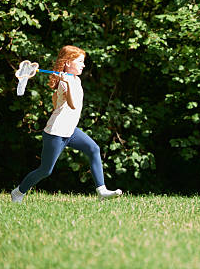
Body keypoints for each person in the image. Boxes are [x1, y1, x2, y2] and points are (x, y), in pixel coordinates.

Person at [11, 45, 122, 202]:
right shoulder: (65, 82)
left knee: (94, 149)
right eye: (80, 61)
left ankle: (101, 191)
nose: (83, 65)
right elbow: (72, 104)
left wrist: (67, 83)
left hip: (70, 130)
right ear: (68, 63)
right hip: (56, 132)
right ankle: (18, 192)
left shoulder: (74, 79)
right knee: (45, 170)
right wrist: (66, 84)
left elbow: (56, 103)